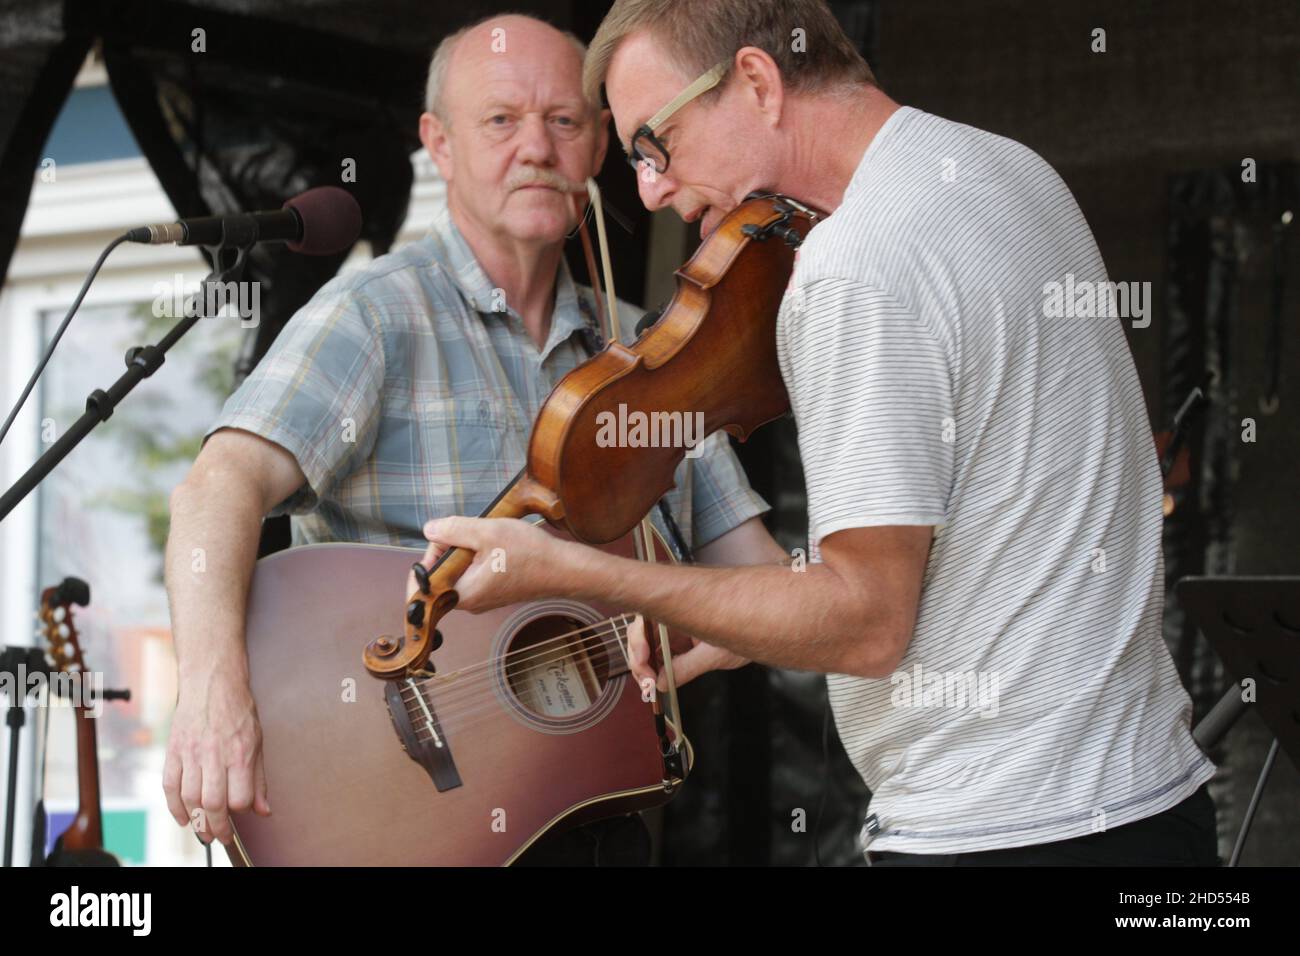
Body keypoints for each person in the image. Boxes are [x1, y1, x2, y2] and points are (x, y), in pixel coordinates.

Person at [417, 0, 1220, 866]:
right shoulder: (1004, 167)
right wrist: (739, 625)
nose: (647, 188)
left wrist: (578, 570)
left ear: (757, 82)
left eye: (655, 144)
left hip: (1002, 832)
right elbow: (988, 537)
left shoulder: (852, 265)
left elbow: (867, 621)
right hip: (1150, 807)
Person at [161, 12, 783, 863]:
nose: (537, 147)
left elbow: (763, 583)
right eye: (500, 120)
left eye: (564, 121)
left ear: (601, 144)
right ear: (438, 143)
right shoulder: (374, 313)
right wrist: (209, 688)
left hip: (582, 817)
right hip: (400, 818)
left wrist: (707, 642)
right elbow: (215, 487)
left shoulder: (655, 352)